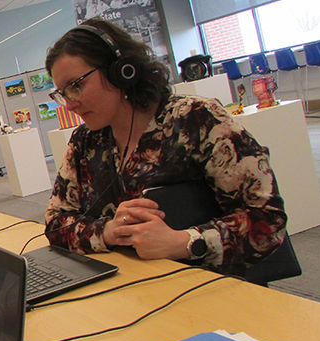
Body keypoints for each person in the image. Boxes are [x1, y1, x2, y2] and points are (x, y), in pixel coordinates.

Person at [43, 18, 286, 276]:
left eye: (76, 85)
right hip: (133, 290)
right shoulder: (85, 142)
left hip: (211, 287)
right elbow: (55, 224)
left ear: (121, 71)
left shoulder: (196, 119)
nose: (69, 104)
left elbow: (268, 220)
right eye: (62, 93)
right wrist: (108, 231)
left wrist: (183, 242)